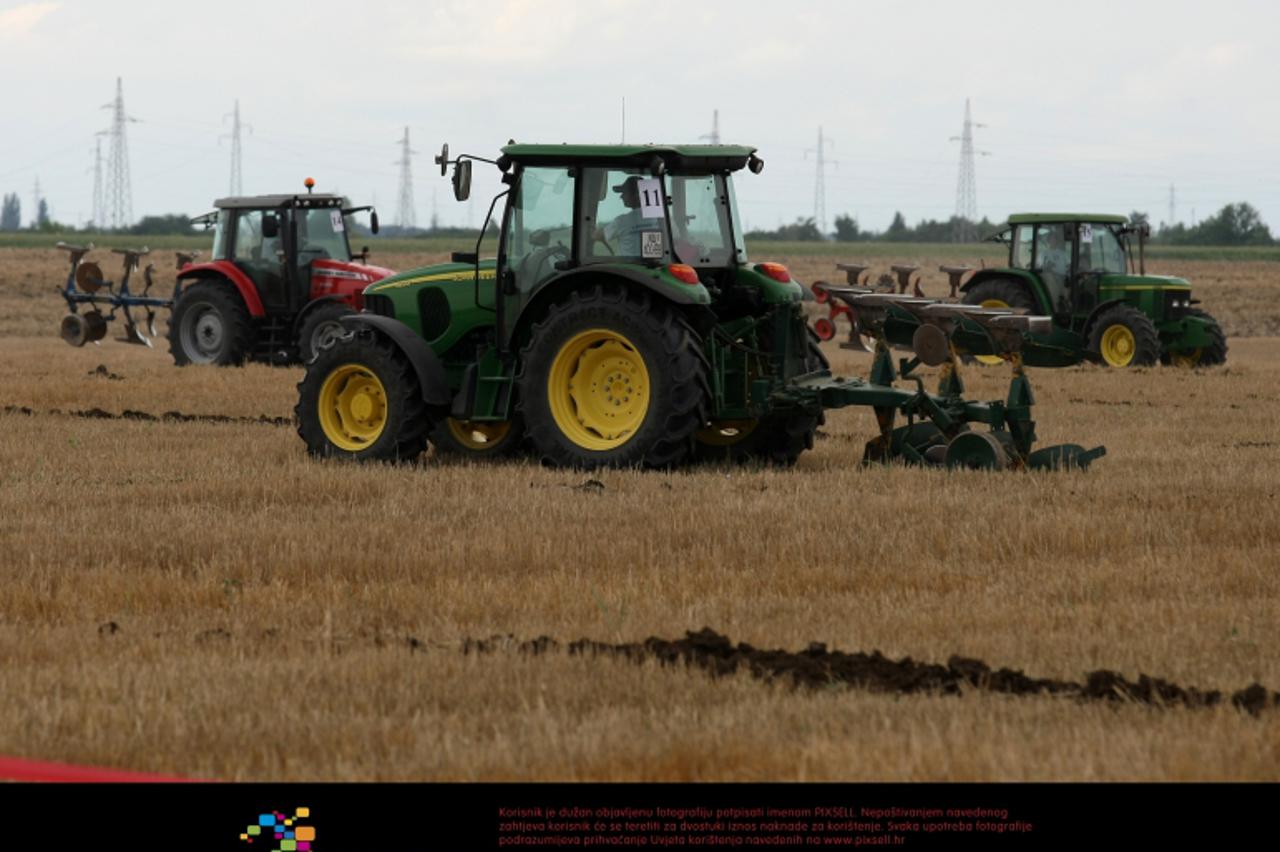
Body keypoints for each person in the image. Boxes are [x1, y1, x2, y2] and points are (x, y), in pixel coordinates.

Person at [597, 176, 662, 256]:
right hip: (655, 267)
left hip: (628, 267)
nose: (621, 197)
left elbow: (599, 235)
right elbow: (675, 239)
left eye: (624, 192)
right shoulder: (663, 219)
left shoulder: (622, 221)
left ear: (636, 195)